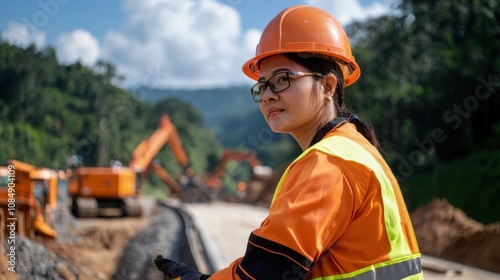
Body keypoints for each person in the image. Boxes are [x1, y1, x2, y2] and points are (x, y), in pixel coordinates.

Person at [155, 5, 423, 280]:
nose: (268, 95)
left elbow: (265, 273)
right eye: (262, 86)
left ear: (328, 86)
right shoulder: (357, 148)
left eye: (283, 79)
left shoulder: (327, 163)